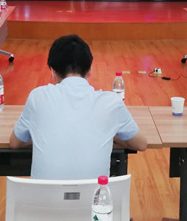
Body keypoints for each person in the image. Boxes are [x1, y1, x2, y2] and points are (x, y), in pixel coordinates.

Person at [9, 34, 147, 179]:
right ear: (90, 70)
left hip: (43, 194)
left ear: (53, 72)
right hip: (95, 194)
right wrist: (110, 132)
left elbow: (15, 142)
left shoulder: (37, 97)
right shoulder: (112, 103)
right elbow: (141, 144)